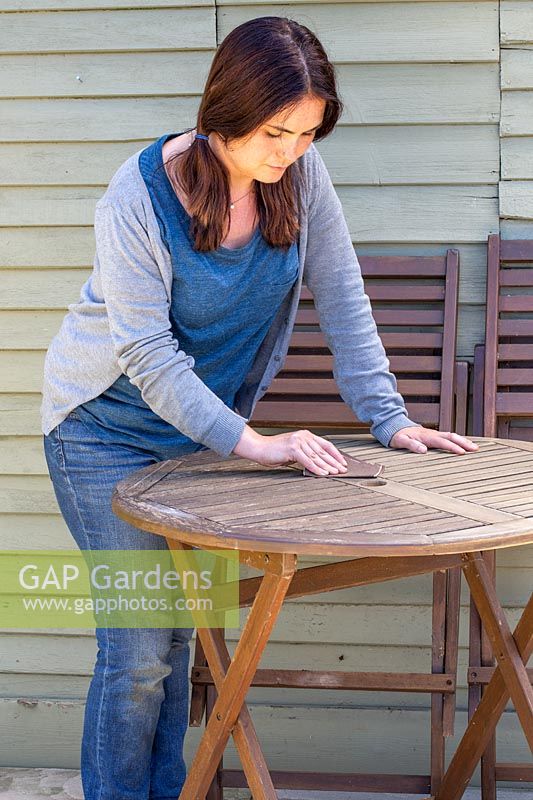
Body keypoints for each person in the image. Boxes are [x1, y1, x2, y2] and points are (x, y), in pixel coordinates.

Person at [41, 15, 478, 800]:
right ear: (224, 113)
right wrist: (257, 446)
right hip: (103, 433)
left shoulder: (301, 181)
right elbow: (146, 356)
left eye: (308, 134)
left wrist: (390, 418)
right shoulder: (137, 196)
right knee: (138, 648)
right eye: (277, 132)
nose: (291, 153)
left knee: (181, 638)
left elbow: (344, 300)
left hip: (201, 442)